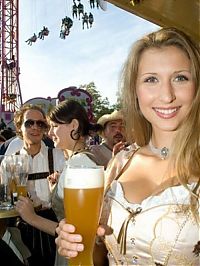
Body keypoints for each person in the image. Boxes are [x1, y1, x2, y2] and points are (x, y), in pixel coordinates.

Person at [54, 27, 200, 265]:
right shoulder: (121, 162)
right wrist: (77, 243)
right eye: (151, 79)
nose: (166, 95)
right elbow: (99, 253)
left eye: (180, 77)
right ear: (135, 91)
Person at [15, 99, 106, 266]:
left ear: (73, 125)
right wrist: (55, 189)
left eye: (54, 126)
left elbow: (79, 231)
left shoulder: (80, 164)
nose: (49, 133)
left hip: (76, 253)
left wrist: (31, 217)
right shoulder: (77, 161)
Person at [3, 104, 65, 266]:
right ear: (19, 127)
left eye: (40, 123)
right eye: (29, 123)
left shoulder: (59, 156)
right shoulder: (9, 162)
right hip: (21, 228)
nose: (35, 127)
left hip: (52, 225)